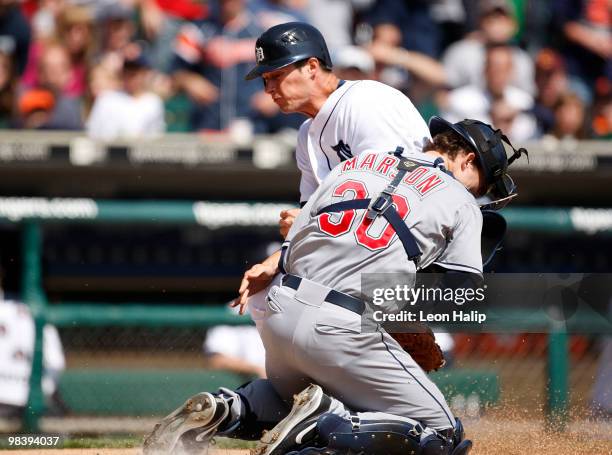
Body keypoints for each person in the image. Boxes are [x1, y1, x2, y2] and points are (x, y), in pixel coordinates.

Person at [143, 116, 527, 455]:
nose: (479, 194)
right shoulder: (459, 198)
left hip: (278, 310)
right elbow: (459, 291)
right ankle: (326, 421)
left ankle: (227, 409)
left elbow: (296, 234)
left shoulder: (360, 161)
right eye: (482, 185)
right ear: (467, 160)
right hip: (342, 328)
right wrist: (408, 322)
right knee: (442, 436)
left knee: (288, 400)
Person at [233, 22, 431, 321]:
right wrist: (274, 262)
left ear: (312, 67)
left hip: (415, 263)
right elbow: (312, 214)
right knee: (268, 297)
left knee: (303, 314)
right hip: (363, 261)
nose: (269, 88)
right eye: (264, 80)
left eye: (276, 75)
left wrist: (315, 225)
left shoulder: (366, 102)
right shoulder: (306, 133)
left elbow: (400, 201)